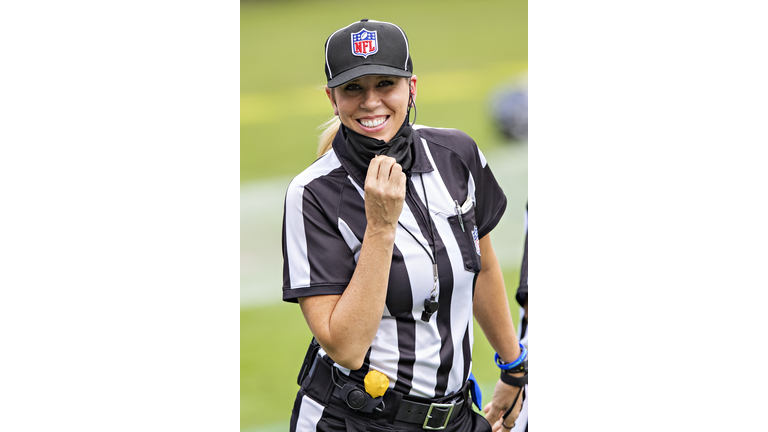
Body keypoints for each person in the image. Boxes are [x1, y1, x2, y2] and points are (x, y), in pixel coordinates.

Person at [282, 19, 526, 432]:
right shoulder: (312, 193)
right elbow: (346, 348)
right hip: (355, 420)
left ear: (412, 88)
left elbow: (482, 265)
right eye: (353, 89)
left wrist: (513, 367)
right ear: (332, 98)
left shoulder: (456, 154)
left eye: (385, 84)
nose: (370, 102)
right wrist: (380, 226)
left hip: (456, 417)